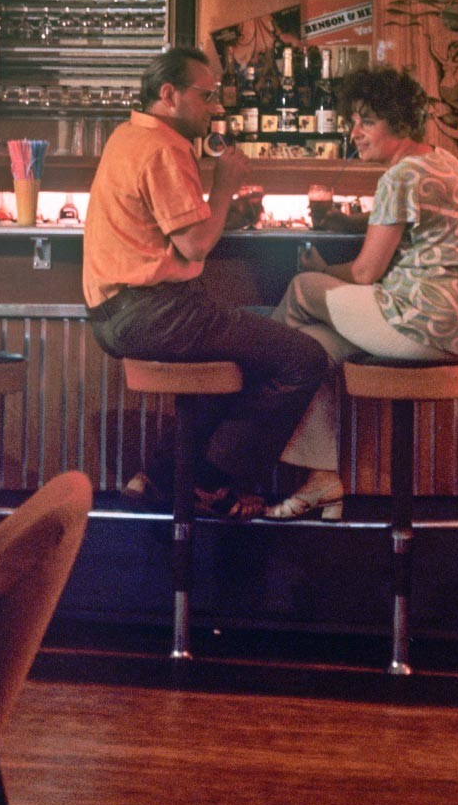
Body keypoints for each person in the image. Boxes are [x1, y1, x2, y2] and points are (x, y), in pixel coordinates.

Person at [82, 46, 329, 520]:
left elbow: (175, 230)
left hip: (116, 314)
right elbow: (195, 246)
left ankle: (159, 474)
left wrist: (226, 210)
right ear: (169, 94)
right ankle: (212, 482)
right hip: (155, 311)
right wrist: (224, 183)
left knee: (244, 361)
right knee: (303, 358)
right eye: (206, 95)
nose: (216, 107)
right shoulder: (164, 147)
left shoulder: (127, 135)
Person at [267, 67, 458, 520]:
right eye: (353, 120)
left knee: (301, 291)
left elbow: (367, 272)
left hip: (415, 324)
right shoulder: (444, 162)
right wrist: (353, 224)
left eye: (367, 120)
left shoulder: (400, 176)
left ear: (399, 122)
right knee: (311, 349)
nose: (354, 132)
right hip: (452, 329)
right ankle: (322, 481)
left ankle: (246, 431)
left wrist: (325, 270)